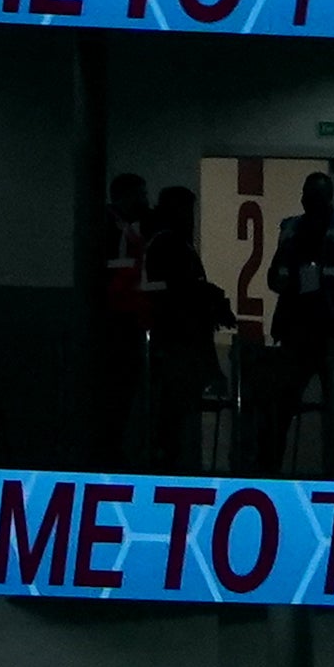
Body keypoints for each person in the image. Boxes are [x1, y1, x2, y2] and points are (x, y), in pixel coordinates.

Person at [265, 171, 334, 465]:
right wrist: (286, 282)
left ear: (327, 197)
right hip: (297, 328)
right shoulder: (291, 229)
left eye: (314, 194)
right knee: (282, 400)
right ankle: (272, 461)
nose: (308, 200)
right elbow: (273, 275)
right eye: (306, 194)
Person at [140, 178, 228, 463]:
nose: (190, 217)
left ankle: (171, 457)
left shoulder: (171, 242)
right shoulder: (168, 243)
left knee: (177, 410)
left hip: (180, 338)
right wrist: (206, 297)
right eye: (186, 210)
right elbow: (178, 292)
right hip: (176, 339)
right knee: (173, 411)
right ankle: (169, 460)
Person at [93, 171, 153, 457]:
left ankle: (114, 449)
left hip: (128, 318)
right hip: (117, 321)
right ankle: (109, 451)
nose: (145, 200)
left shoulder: (130, 227)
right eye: (140, 194)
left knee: (123, 394)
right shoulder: (108, 226)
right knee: (116, 393)